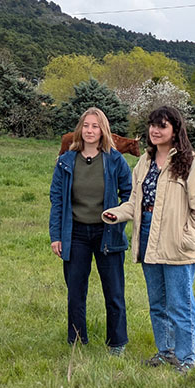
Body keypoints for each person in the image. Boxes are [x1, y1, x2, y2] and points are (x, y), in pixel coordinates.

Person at [102, 106, 195, 374]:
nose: (155, 130)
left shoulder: (190, 163)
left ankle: (186, 358)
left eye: (162, 126)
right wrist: (115, 213)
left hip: (176, 241)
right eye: (152, 125)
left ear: (175, 131)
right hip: (147, 235)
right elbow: (136, 203)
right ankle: (165, 352)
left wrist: (189, 239)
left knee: (180, 304)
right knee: (157, 303)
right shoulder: (144, 163)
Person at [49, 107, 132, 354]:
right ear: (80, 129)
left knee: (114, 292)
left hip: (107, 234)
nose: (90, 130)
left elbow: (129, 194)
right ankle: (76, 341)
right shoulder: (66, 161)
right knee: (75, 292)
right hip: (75, 234)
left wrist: (118, 217)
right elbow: (57, 200)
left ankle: (117, 343)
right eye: (86, 125)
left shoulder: (115, 160)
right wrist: (56, 236)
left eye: (95, 126)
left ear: (103, 130)